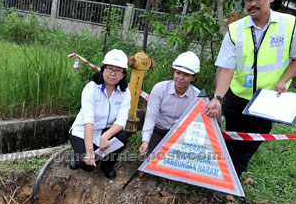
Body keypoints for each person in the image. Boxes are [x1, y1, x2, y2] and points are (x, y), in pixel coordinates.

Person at [203, 0, 296, 176]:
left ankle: (232, 182)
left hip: (267, 100)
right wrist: (217, 97)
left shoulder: (290, 25)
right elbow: (227, 68)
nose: (252, 3)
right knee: (230, 138)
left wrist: (283, 80)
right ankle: (223, 177)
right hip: (237, 95)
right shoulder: (236, 29)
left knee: (249, 145)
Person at [69, 49, 132, 179]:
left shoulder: (125, 92)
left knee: (122, 137)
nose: (113, 74)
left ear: (123, 74)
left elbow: (121, 121)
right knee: (87, 165)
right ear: (103, 69)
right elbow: (88, 122)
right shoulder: (91, 88)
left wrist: (106, 135)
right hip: (83, 130)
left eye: (118, 70)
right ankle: (77, 155)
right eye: (109, 69)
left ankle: (108, 165)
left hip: (105, 130)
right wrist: (90, 152)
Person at [139, 51, 201, 156]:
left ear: (194, 77)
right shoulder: (160, 88)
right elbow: (150, 117)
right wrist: (145, 141)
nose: (180, 78)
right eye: (178, 73)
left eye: (186, 75)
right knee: (149, 156)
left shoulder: (197, 96)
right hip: (159, 129)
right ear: (173, 72)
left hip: (181, 134)